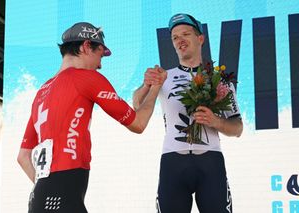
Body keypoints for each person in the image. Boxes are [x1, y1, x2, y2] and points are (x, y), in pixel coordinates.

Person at [17, 22, 167, 213]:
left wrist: (47, 187)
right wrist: (155, 87)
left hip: (39, 196)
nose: (100, 65)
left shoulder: (42, 92)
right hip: (63, 194)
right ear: (86, 46)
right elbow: (138, 123)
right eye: (100, 54)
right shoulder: (85, 78)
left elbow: (23, 156)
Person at [133, 13, 243, 213]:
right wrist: (146, 84)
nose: (180, 40)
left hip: (210, 163)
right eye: (175, 37)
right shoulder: (164, 76)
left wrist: (215, 121)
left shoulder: (219, 79)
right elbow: (137, 105)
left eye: (186, 34)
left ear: (200, 39)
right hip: (173, 162)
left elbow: (237, 128)